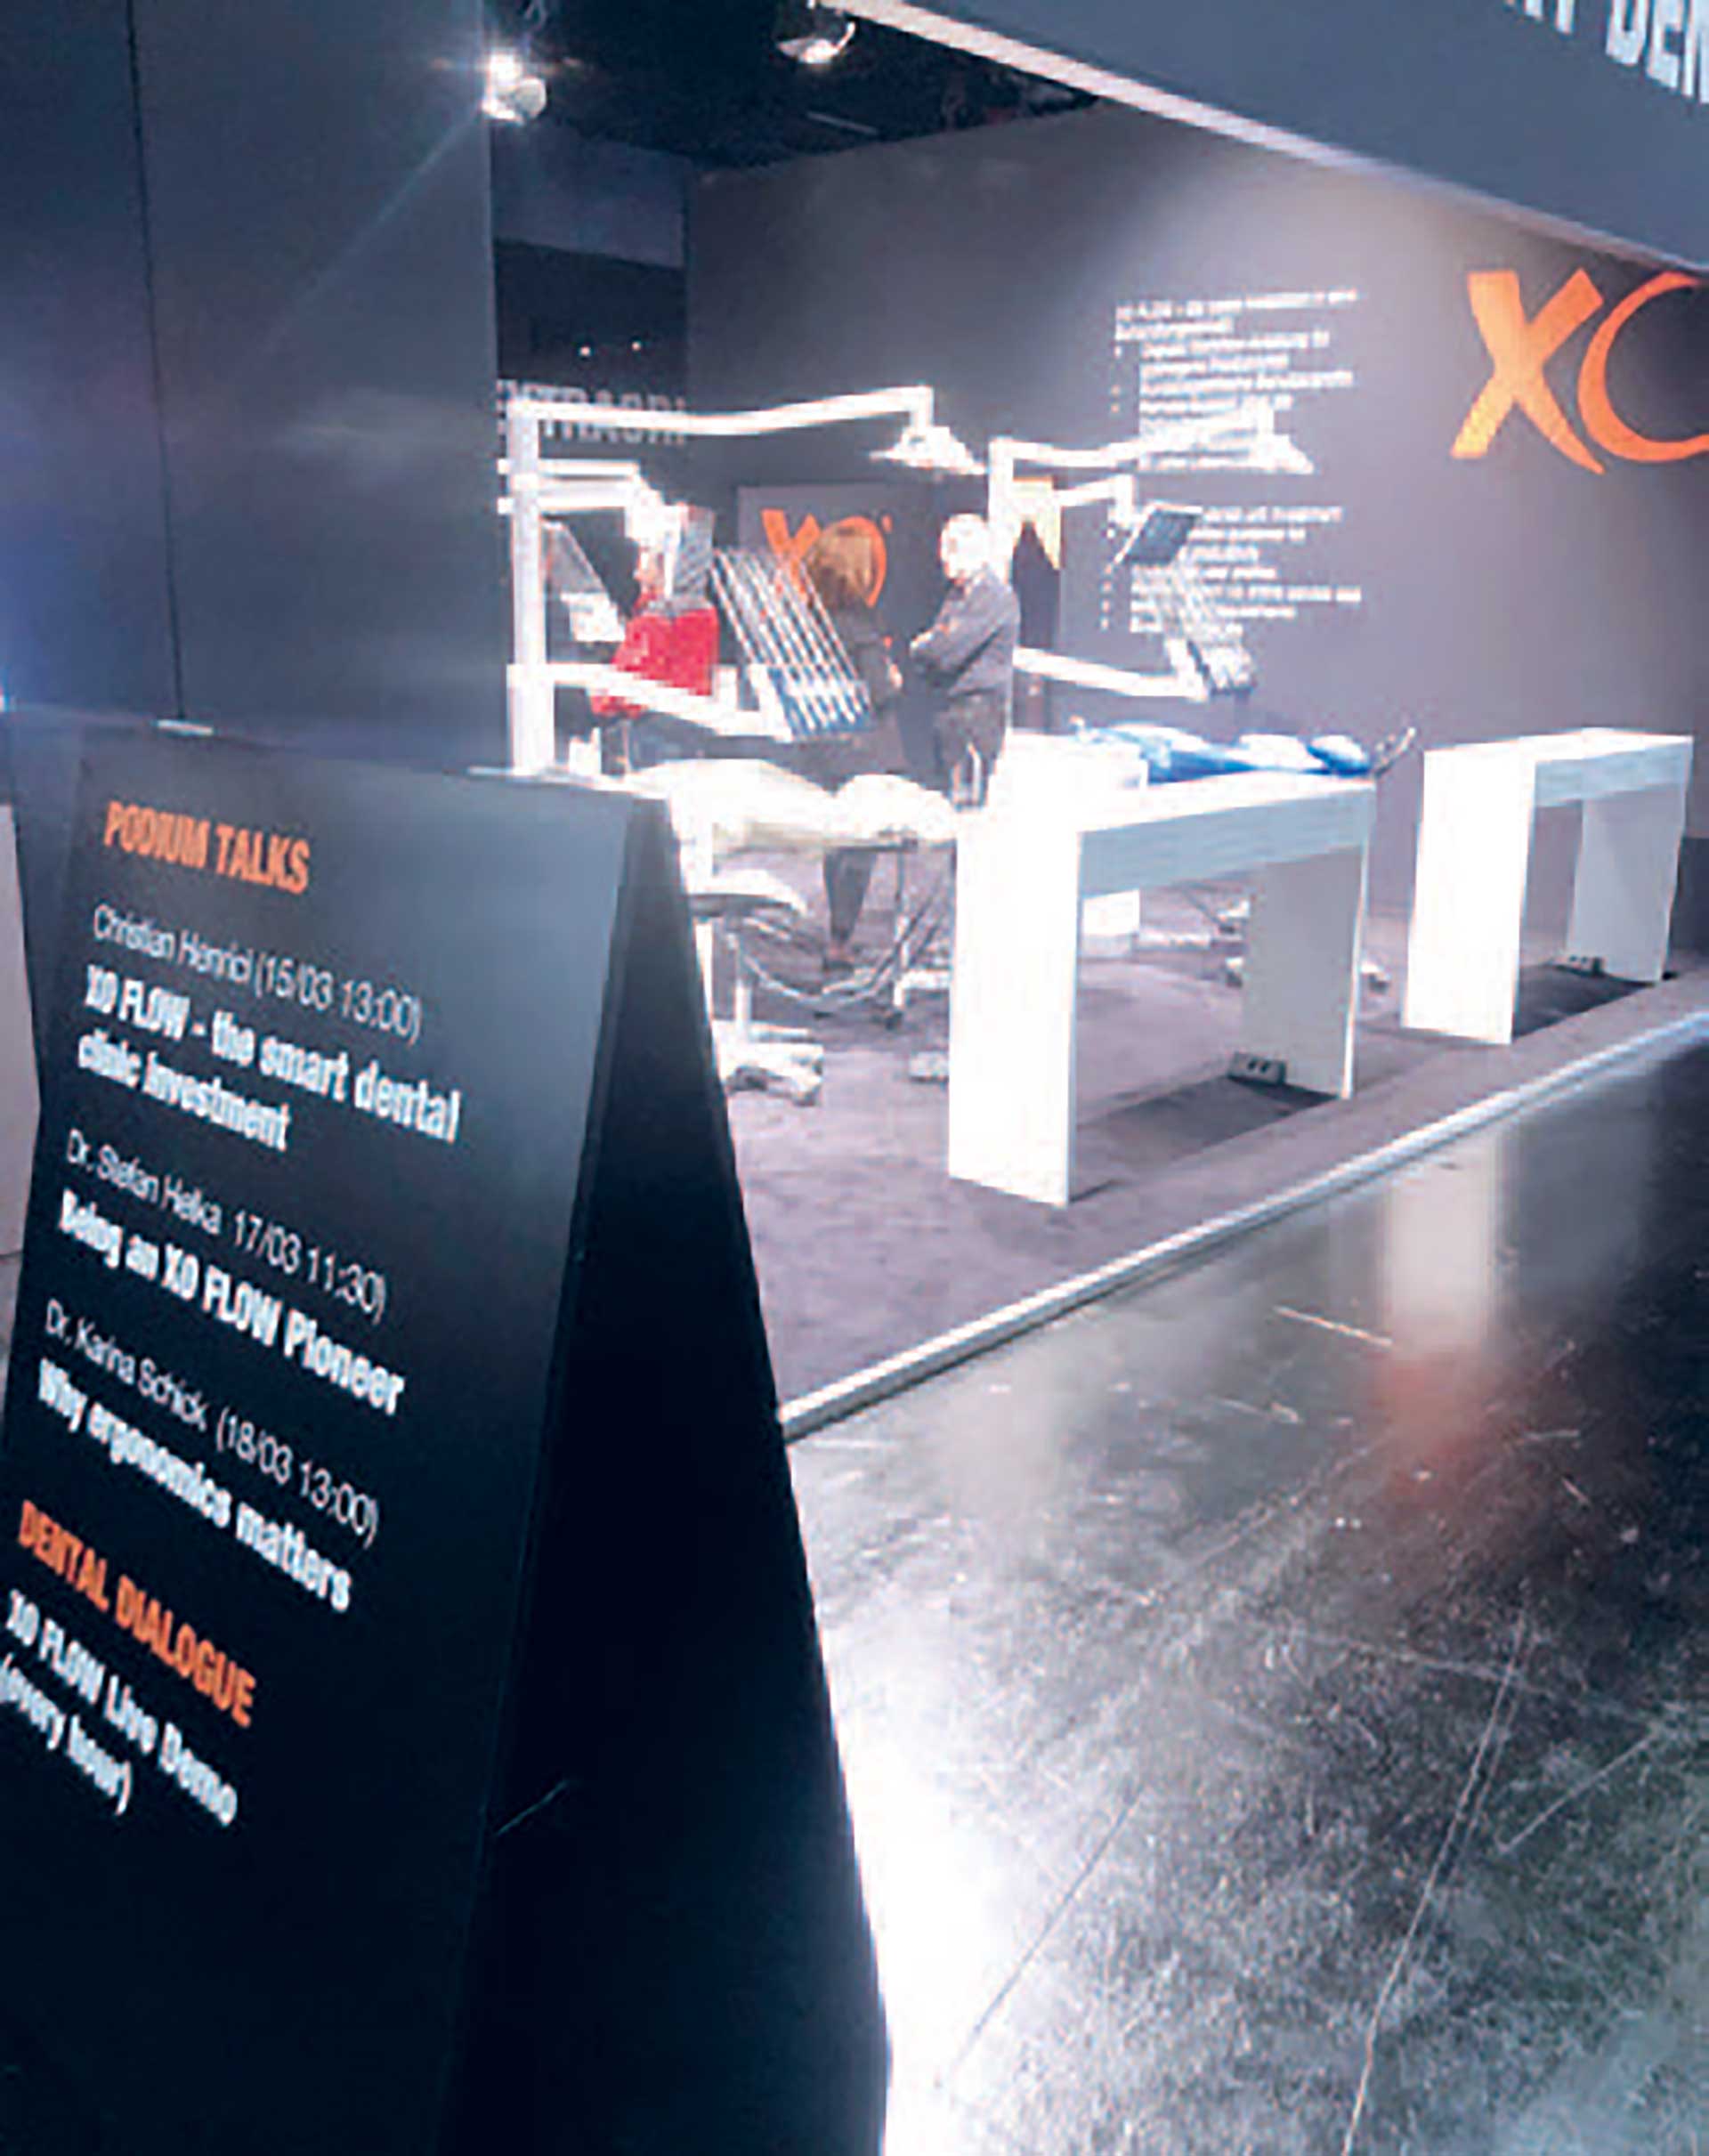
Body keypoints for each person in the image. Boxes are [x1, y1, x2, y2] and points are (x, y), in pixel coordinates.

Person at [795, 519, 906, 972]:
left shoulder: (808, 621)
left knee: (837, 844)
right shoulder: (860, 624)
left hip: (824, 747)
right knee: (860, 845)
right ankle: (840, 940)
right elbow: (879, 690)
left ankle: (838, 934)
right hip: (864, 750)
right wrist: (893, 679)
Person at [589, 505, 720, 766]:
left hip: (657, 726)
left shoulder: (655, 619)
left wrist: (602, 700)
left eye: (644, 557)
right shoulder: (703, 614)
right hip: (695, 721)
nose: (637, 573)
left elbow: (636, 679)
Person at [911, 513, 1020, 806]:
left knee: (967, 805)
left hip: (978, 712)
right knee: (946, 797)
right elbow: (934, 649)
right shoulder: (957, 596)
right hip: (951, 708)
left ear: (971, 551)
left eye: (950, 549)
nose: (942, 558)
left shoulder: (992, 596)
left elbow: (945, 651)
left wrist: (929, 645)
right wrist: (929, 647)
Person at [1069, 716, 1419, 783]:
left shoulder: (1297, 765)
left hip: (1166, 756)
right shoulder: (1296, 764)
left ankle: (1361, 766)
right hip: (1163, 756)